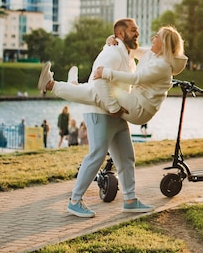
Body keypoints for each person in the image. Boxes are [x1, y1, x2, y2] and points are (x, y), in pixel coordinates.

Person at [36, 18, 155, 218]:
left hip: (116, 113)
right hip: (101, 111)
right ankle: (75, 201)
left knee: (126, 158)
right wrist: (113, 106)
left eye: (138, 30)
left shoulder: (127, 53)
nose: (137, 33)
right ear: (120, 33)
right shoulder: (112, 51)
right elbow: (99, 79)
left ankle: (130, 200)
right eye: (133, 30)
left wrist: (118, 107)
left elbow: (148, 55)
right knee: (97, 155)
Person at [39, 25, 188, 126]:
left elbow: (137, 78)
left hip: (141, 109)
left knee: (98, 93)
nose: (152, 39)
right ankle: (73, 87)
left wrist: (106, 72)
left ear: (164, 44)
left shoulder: (163, 66)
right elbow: (131, 49)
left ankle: (51, 85)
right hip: (135, 100)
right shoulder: (152, 54)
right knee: (100, 91)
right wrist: (112, 39)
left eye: (157, 37)